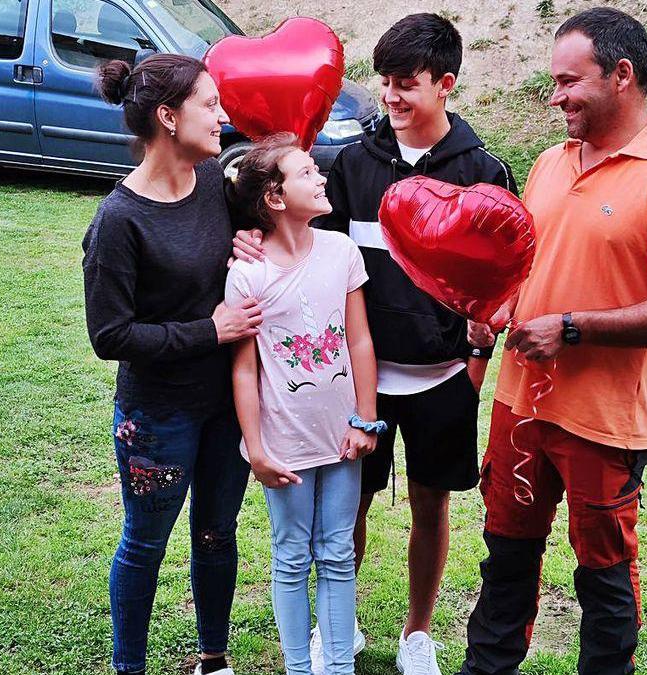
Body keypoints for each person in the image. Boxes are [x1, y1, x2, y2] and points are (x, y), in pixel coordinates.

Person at [234, 14, 516, 675]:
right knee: (347, 504)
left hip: (443, 377)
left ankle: (418, 634)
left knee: (430, 502)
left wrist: (475, 360)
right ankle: (344, 621)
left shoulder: (484, 171)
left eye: (406, 83)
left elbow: (505, 280)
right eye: (384, 81)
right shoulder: (354, 163)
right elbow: (287, 216)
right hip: (353, 383)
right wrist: (247, 234)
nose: (390, 95)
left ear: (445, 84)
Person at [458, 8, 647, 675]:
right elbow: (532, 266)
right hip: (521, 406)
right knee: (505, 560)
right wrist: (502, 305)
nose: (556, 97)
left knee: (603, 580)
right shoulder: (550, 163)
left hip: (603, 421)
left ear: (622, 75)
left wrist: (571, 328)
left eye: (569, 81)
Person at [82, 53, 261, 675]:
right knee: (145, 543)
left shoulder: (214, 181)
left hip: (227, 405)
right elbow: (110, 334)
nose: (222, 115)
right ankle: (128, 666)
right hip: (157, 415)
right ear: (167, 116)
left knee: (217, 532)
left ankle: (213, 661)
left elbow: (249, 240)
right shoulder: (119, 220)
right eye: (209, 105)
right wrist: (208, 331)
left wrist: (251, 239)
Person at [225, 133, 380, 675]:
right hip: (283, 441)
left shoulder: (341, 250)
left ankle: (337, 667)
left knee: (338, 553)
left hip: (342, 436)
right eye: (308, 172)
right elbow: (245, 367)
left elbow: (359, 340)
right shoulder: (247, 272)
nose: (321, 178)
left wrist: (366, 420)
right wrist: (257, 447)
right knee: (290, 556)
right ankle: (298, 667)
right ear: (274, 197)